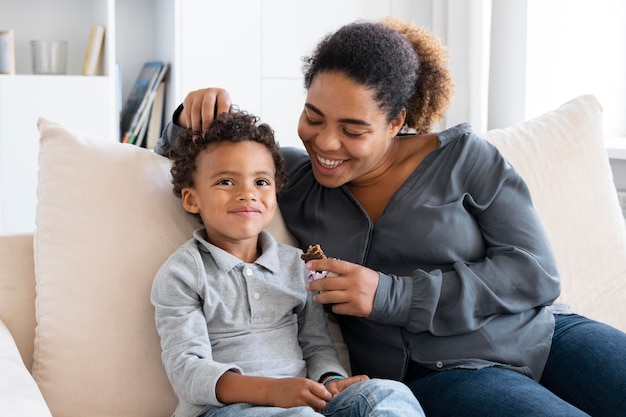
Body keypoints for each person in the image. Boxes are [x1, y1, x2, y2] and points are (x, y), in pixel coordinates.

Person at [155, 18, 626, 417]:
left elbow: (536, 272)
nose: (325, 143)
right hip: (447, 374)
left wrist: (391, 295)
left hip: (549, 334)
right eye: (313, 118)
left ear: (397, 122)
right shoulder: (292, 180)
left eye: (353, 130)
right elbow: (208, 167)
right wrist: (188, 115)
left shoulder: (467, 159)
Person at [151, 110, 424, 417]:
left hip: (303, 402)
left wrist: (330, 380)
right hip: (223, 411)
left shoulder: (297, 263)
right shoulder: (183, 274)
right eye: (226, 181)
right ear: (191, 199)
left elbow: (317, 346)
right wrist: (272, 391)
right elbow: (187, 371)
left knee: (387, 395)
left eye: (261, 181)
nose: (247, 194)